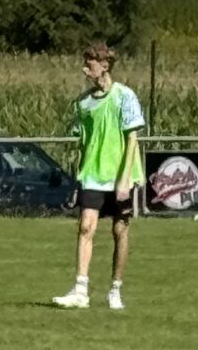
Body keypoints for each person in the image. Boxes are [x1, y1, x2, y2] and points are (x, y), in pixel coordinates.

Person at [53, 44, 143, 311]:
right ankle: (80, 290)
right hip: (93, 174)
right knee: (85, 227)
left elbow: (132, 140)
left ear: (105, 65)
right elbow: (82, 143)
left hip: (119, 175)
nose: (85, 67)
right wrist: (78, 178)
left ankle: (115, 288)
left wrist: (124, 180)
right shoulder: (82, 102)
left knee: (120, 230)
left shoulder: (124, 96)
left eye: (90, 62)